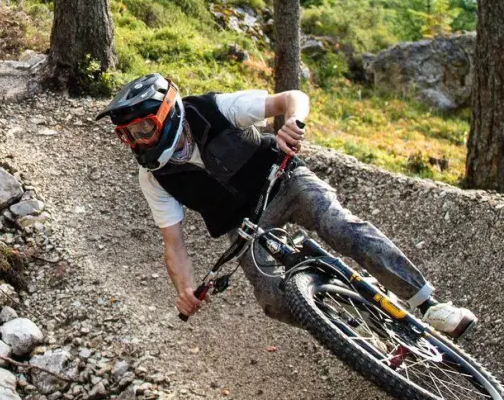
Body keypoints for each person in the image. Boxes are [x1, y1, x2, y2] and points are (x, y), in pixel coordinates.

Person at [96, 73, 477, 338]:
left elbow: (292, 98)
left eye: (142, 128)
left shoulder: (213, 108)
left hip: (284, 180)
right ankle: (353, 331)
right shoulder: (153, 177)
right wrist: (183, 289)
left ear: (165, 113)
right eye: (126, 135)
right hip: (243, 225)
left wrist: (293, 122)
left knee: (338, 225)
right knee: (273, 301)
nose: (136, 141)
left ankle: (429, 306)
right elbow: (173, 243)